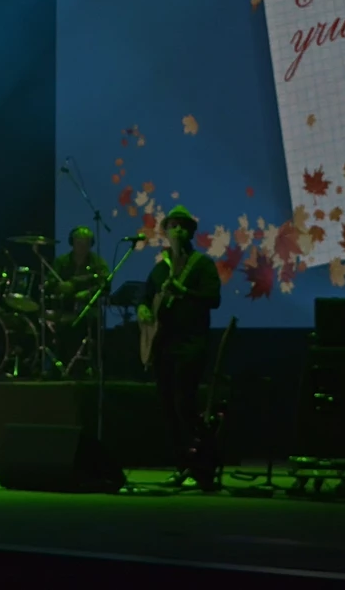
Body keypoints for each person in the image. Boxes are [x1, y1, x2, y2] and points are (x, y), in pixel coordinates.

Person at [138, 205, 220, 486]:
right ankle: (182, 465)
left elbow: (213, 299)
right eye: (173, 226)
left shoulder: (202, 264)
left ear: (190, 233)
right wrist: (142, 309)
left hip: (191, 344)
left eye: (183, 226)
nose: (178, 231)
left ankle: (203, 466)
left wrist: (184, 292)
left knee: (185, 404)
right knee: (168, 408)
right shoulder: (161, 268)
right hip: (163, 346)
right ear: (166, 231)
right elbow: (145, 296)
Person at [49, 227, 111, 374]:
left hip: (89, 308)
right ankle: (58, 365)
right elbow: (50, 283)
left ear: (91, 244)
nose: (82, 246)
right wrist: (59, 287)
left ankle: (89, 365)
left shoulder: (98, 263)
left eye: (86, 243)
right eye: (79, 242)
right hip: (64, 308)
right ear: (72, 242)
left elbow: (105, 286)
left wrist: (87, 293)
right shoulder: (62, 261)